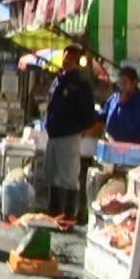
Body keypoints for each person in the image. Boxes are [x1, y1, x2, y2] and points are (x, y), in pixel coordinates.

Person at [43, 44, 99, 220]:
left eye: (71, 57)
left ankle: (69, 214)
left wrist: (80, 130)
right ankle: (54, 210)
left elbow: (87, 112)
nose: (66, 60)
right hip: (53, 134)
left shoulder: (80, 84)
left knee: (68, 176)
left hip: (69, 134)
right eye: (65, 56)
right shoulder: (58, 80)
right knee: (52, 173)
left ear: (77, 61)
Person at [100, 66, 140, 144]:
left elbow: (132, 130)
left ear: (134, 83)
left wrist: (122, 105)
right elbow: (103, 115)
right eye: (120, 83)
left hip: (132, 147)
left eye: (125, 82)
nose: (122, 86)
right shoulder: (114, 98)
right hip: (111, 144)